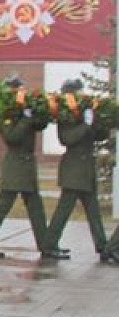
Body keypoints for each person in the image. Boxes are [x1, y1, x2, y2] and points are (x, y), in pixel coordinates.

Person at [0, 76, 63, 260]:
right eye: (19, 90)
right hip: (14, 167)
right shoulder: (6, 113)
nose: (21, 94)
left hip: (27, 167)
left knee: (36, 208)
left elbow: (40, 125)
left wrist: (40, 112)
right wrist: (25, 118)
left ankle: (45, 246)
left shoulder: (23, 110)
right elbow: (12, 138)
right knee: (3, 206)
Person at [45, 79, 110, 262]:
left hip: (86, 169)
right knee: (64, 210)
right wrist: (85, 125)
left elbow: (99, 136)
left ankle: (102, 246)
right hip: (73, 169)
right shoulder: (65, 116)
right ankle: (49, 245)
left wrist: (97, 120)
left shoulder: (83, 113)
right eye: (77, 92)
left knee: (93, 211)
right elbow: (67, 139)